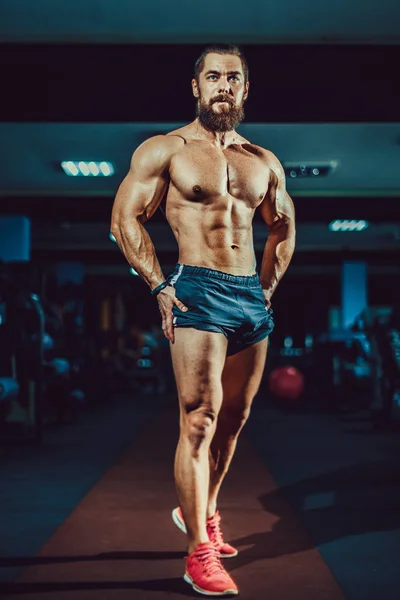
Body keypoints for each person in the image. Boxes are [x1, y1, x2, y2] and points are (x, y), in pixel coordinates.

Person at [111, 44, 296, 597]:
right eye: (212, 76)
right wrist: (160, 285)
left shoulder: (263, 160)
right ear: (196, 87)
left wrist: (266, 288)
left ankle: (205, 511)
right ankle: (198, 552)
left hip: (248, 297)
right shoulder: (166, 149)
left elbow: (282, 226)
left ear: (244, 89)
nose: (223, 85)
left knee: (233, 422)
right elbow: (125, 220)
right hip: (197, 288)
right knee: (199, 419)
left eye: (233, 78)